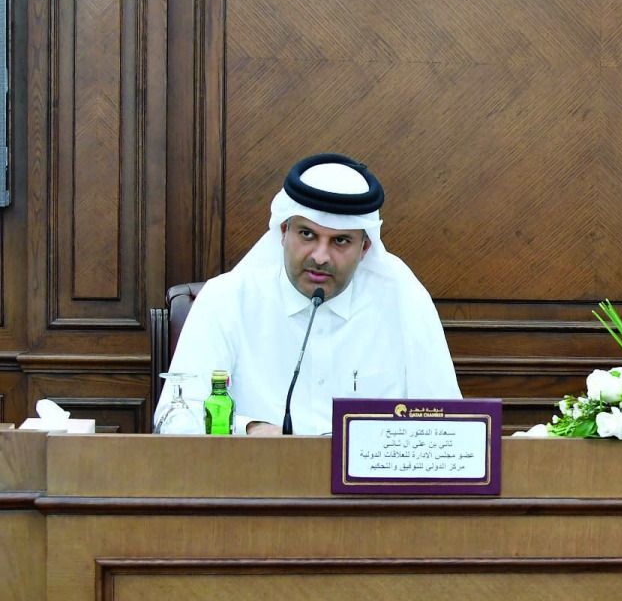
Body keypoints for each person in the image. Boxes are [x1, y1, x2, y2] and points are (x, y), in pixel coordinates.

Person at [154, 153, 461, 435]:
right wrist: (248, 429)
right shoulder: (228, 299)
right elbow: (174, 419)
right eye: (307, 234)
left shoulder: (403, 303)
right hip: (259, 486)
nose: (321, 256)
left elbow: (448, 423)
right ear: (284, 231)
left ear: (365, 248)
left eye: (340, 241)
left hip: (368, 493)